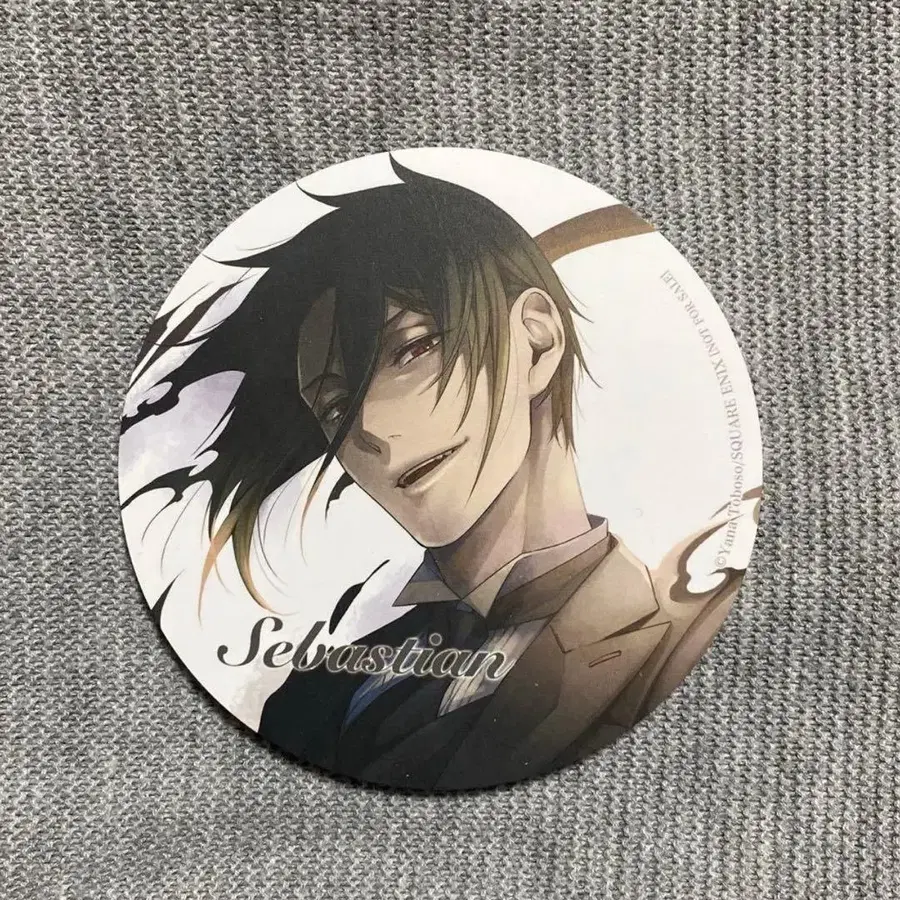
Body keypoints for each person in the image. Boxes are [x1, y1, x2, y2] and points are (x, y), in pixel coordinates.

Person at [123, 157, 752, 789]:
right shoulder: (310, 699)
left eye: (412, 349)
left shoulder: (680, 645)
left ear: (536, 342)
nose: (370, 428)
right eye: (336, 407)